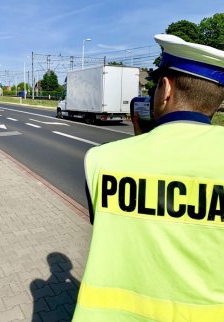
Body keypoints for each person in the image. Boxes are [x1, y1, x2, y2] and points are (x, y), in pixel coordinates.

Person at [72, 34, 224, 322]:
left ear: (165, 89)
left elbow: (110, 220)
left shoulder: (102, 160)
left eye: (155, 86)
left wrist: (140, 142)